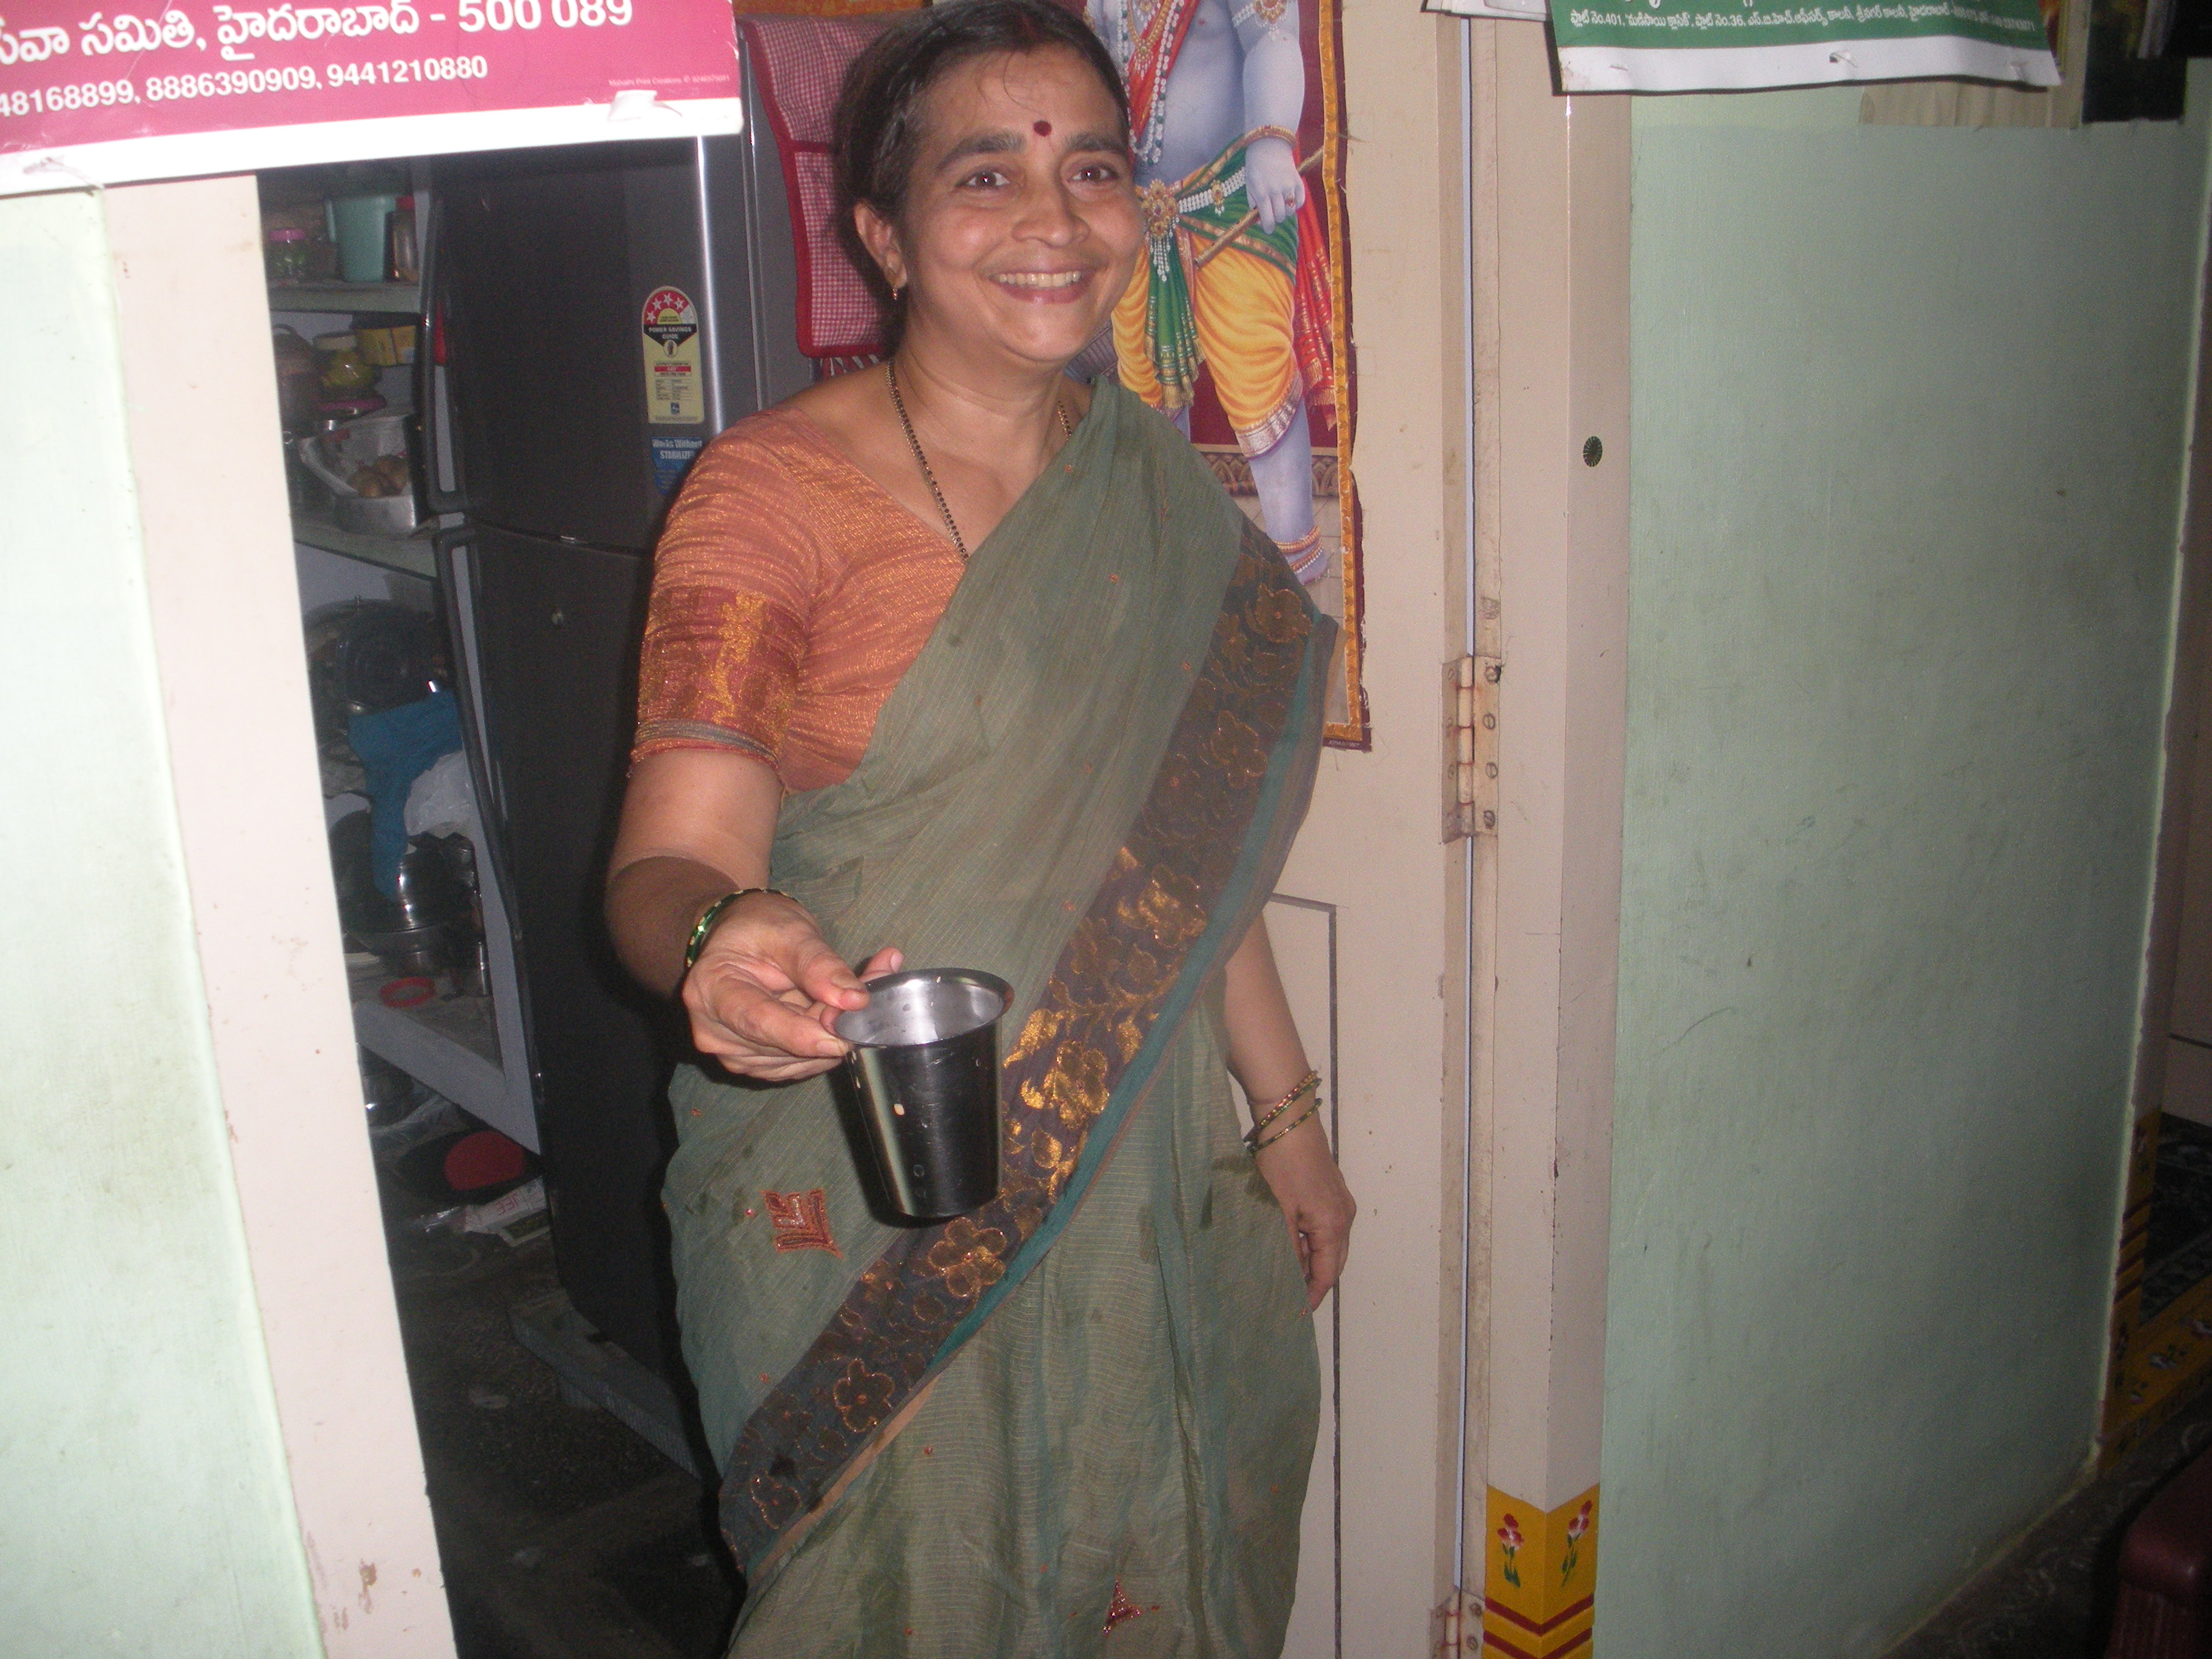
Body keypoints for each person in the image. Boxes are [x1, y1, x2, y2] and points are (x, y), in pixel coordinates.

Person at [603, 3, 1355, 1652]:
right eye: (984, 174)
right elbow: (667, 862)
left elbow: (1190, 868)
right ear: (883, 235)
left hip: (1153, 1192)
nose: (1053, 220)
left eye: (1092, 169)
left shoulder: (1162, 495)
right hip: (863, 1211)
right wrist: (722, 937)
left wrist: (1289, 1114)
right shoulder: (769, 495)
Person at [1085, 0, 1335, 585]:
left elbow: (1273, 38)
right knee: (1146, 387)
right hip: (1137, 212)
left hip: (1234, 199)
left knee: (1256, 377)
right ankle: (1173, 556)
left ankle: (1295, 564)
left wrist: (1271, 140)